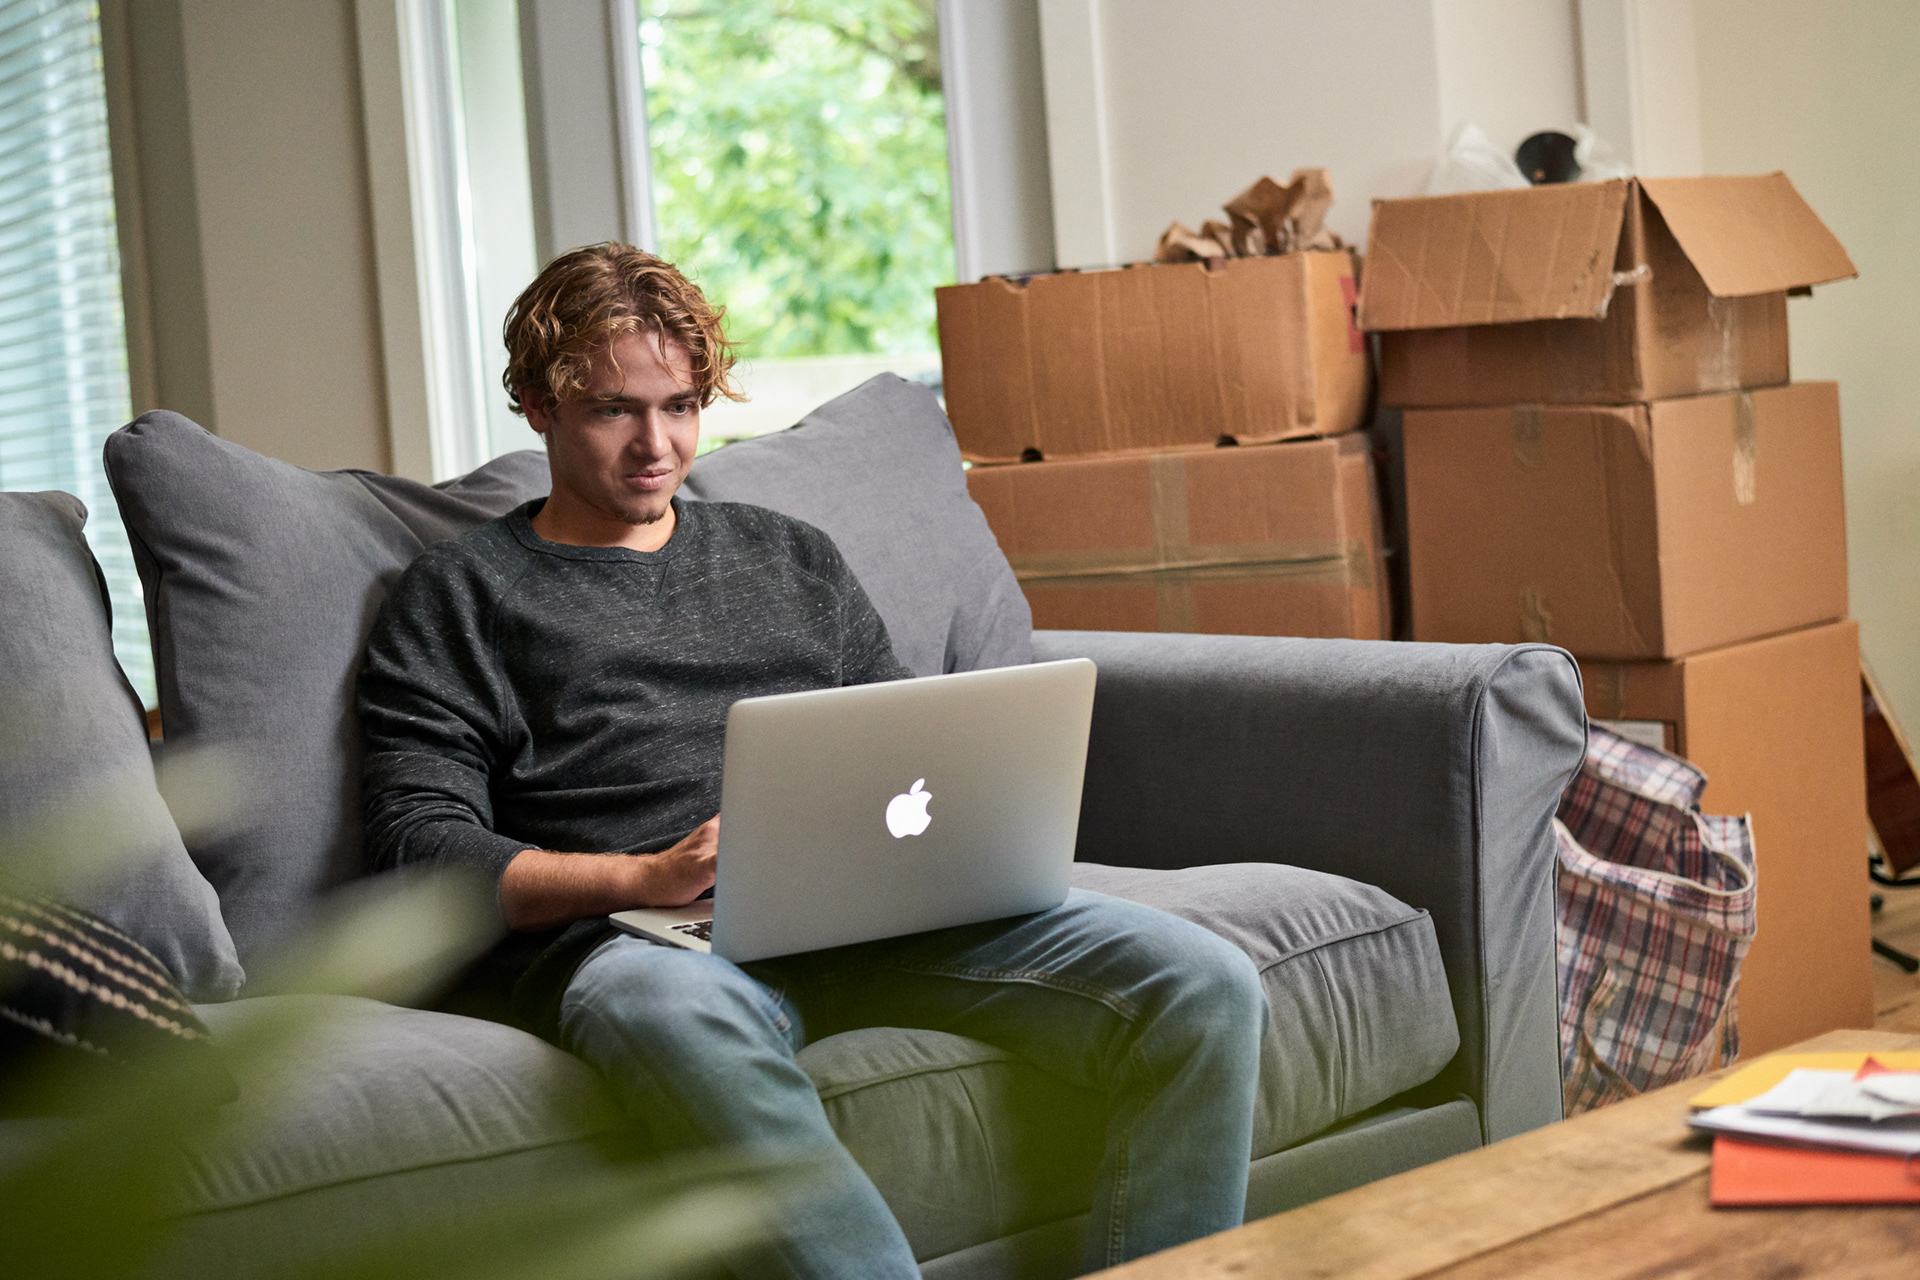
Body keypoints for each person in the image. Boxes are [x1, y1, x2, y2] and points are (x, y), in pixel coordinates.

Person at [358, 243, 1266, 1278]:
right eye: (616, 410)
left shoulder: (787, 554)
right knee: (663, 1010)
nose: (657, 445)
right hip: (660, 942)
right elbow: (418, 848)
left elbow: (903, 746)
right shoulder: (460, 596)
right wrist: (646, 877)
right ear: (537, 403)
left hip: (870, 906)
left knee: (1204, 980)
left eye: (682, 405)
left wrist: (962, 831)